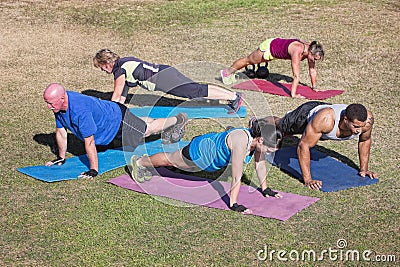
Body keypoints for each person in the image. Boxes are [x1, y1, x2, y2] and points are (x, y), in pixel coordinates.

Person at [130, 117, 284, 215]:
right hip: (199, 152)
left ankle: (167, 166)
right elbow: (237, 175)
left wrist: (266, 189)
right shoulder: (241, 141)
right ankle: (139, 162)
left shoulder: (257, 143)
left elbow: (260, 164)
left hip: (210, 158)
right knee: (170, 160)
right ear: (261, 140)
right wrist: (234, 204)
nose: (268, 153)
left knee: (180, 165)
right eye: (269, 150)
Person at [43, 83, 188, 179]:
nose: (48, 107)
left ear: (62, 98)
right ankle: (141, 120)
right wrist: (60, 157)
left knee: (146, 130)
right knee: (138, 123)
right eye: (47, 103)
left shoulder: (79, 110)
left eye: (50, 103)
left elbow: (90, 141)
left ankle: (178, 119)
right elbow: (61, 132)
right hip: (110, 116)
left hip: (116, 119)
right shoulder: (59, 106)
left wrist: (93, 169)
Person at [93, 49, 243, 114]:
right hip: (165, 71)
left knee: (195, 91)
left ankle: (234, 97)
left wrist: (109, 112)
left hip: (164, 79)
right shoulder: (124, 62)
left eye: (101, 68)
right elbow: (122, 95)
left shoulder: (119, 70)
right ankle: (232, 96)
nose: (103, 71)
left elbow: (117, 94)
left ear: (106, 64)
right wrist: (119, 109)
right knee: (196, 89)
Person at [274, 101, 377, 190]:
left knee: (309, 133)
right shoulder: (325, 120)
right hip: (305, 115)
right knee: (281, 125)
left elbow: (365, 141)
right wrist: (308, 180)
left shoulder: (367, 122)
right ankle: (260, 121)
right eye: (355, 126)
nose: (359, 130)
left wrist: (364, 169)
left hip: (322, 123)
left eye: (361, 127)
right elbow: (303, 146)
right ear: (345, 119)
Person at [220, 38, 324, 98]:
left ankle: (230, 73)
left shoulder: (310, 49)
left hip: (277, 47)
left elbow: (312, 69)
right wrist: (293, 94)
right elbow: (296, 75)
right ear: (310, 52)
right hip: (269, 48)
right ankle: (226, 73)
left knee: (249, 61)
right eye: (314, 58)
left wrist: (314, 87)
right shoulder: (297, 50)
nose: (314, 61)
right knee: (248, 60)